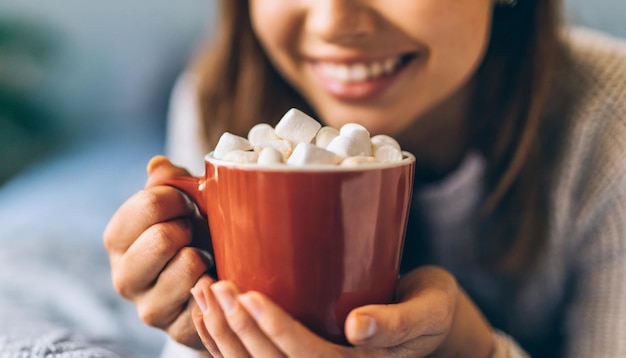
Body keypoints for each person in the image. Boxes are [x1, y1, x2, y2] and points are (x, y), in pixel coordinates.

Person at [103, 0, 626, 356]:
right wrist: (195, 325)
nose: (335, 23)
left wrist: (469, 348)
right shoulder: (218, 99)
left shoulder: (611, 120)